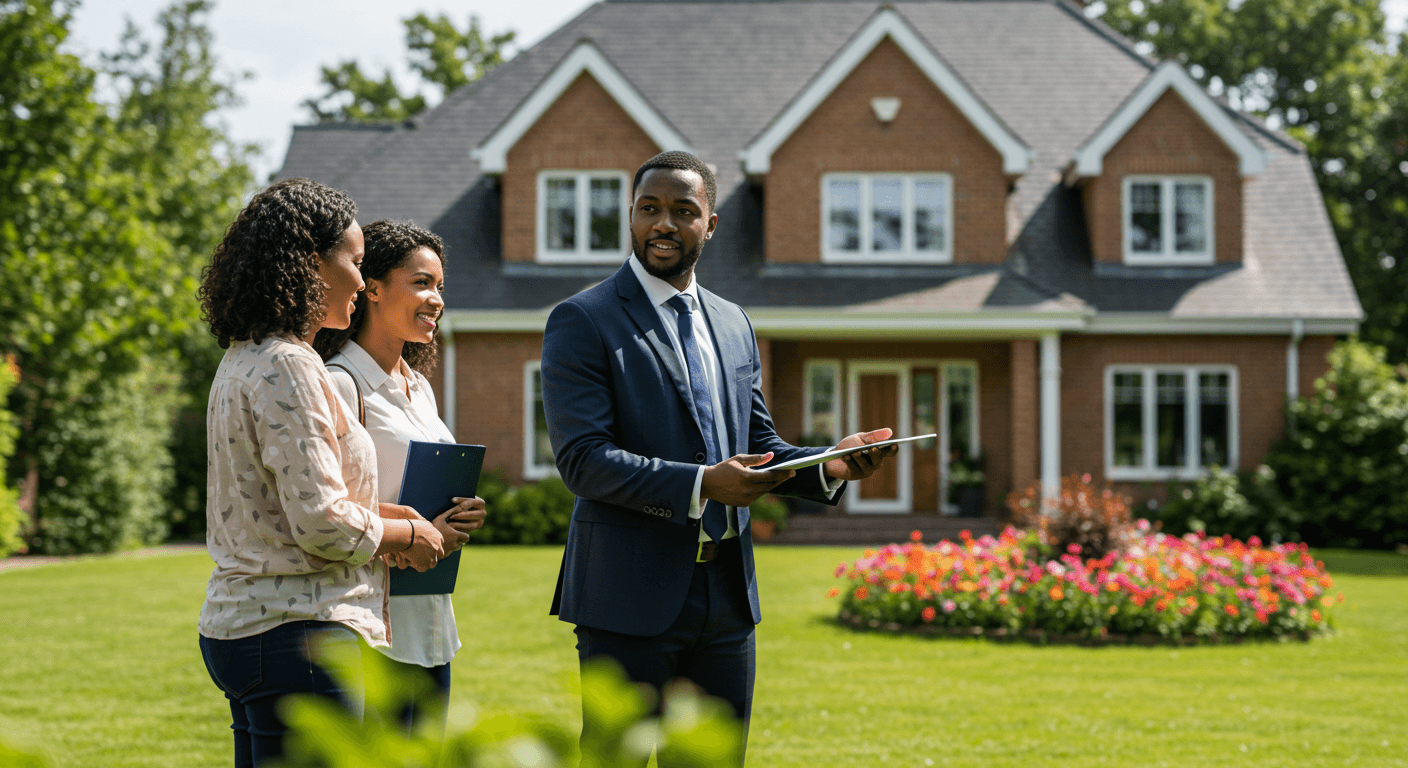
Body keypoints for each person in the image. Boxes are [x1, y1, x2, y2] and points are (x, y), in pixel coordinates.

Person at [542, 151, 896, 763]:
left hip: (727, 597)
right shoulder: (584, 319)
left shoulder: (733, 323)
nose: (663, 224)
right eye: (649, 209)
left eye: (684, 211)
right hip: (626, 594)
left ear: (710, 224)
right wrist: (703, 483)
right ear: (630, 216)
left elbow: (763, 448)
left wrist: (830, 464)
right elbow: (583, 460)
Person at [197, 178, 447, 768]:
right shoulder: (290, 365)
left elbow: (291, 503)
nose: (362, 281)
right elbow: (321, 525)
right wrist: (409, 536)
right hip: (296, 634)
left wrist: (391, 515)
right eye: (355, 262)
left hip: (250, 629)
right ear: (310, 264)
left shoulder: (246, 355)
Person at [313, 220, 487, 732]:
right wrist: (410, 534)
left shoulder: (420, 389)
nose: (436, 298)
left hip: (432, 621)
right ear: (373, 288)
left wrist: (459, 515)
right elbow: (324, 514)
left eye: (439, 286)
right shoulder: (341, 386)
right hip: (374, 627)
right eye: (421, 282)